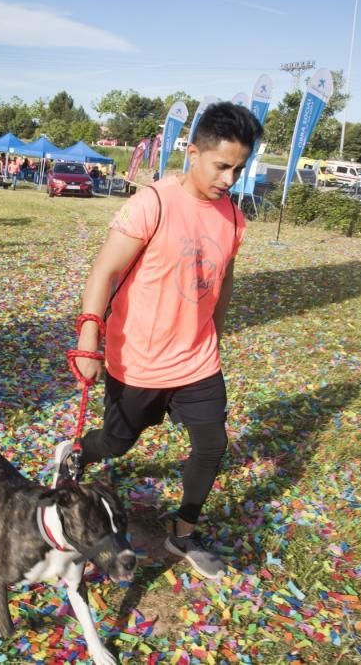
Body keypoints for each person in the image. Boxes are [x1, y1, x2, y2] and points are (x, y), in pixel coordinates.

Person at [55, 101, 263, 580]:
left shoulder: (232, 216)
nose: (230, 179)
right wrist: (90, 336)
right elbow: (105, 269)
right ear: (193, 152)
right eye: (222, 166)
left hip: (197, 360)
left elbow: (224, 277)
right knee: (117, 443)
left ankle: (182, 534)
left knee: (211, 445)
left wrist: (217, 330)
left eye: (239, 168)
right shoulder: (155, 202)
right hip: (139, 361)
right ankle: (79, 453)